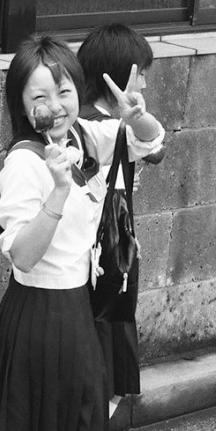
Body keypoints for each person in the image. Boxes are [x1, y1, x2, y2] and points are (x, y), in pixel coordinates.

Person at [0, 35, 165, 431]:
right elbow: (23, 255)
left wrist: (135, 116)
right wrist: (59, 191)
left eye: (64, 91)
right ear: (22, 105)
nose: (56, 106)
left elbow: (149, 143)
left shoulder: (81, 134)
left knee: (77, 407)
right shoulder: (24, 162)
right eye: (40, 97)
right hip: (41, 311)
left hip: (78, 301)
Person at [77, 23, 165, 416]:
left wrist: (135, 117)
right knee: (96, 367)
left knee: (103, 368)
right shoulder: (91, 129)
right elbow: (154, 146)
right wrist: (132, 122)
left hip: (110, 258)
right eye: (140, 73)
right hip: (94, 266)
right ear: (114, 76)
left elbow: (156, 147)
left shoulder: (113, 124)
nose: (144, 83)